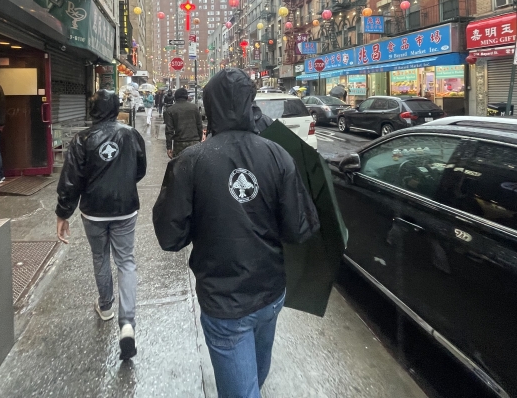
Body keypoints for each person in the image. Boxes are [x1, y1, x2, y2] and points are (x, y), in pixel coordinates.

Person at [153, 69, 319, 398]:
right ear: (250, 103)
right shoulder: (278, 155)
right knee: (254, 377)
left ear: (209, 106)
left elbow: (170, 237)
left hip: (224, 301)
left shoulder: (190, 162)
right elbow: (300, 228)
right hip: (270, 294)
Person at [55, 90, 147, 360]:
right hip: (125, 208)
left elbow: (71, 180)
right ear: (116, 107)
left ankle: (105, 306)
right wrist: (123, 184)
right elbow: (139, 169)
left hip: (93, 211)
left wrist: (63, 213)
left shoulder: (82, 139)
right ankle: (127, 321)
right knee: (126, 261)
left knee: (100, 257)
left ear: (92, 109)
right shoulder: (130, 134)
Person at [163, 87, 203, 159]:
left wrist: (169, 147)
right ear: (187, 96)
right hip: (195, 142)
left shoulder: (171, 110)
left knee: (179, 167)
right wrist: (199, 139)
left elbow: (169, 131)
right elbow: (199, 126)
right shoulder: (194, 108)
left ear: (175, 97)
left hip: (179, 143)